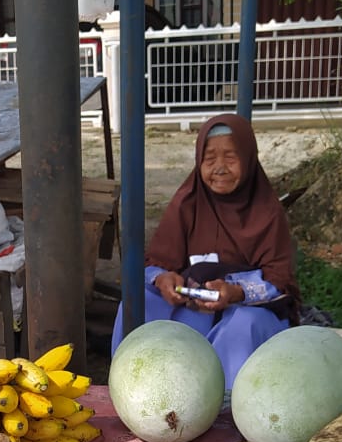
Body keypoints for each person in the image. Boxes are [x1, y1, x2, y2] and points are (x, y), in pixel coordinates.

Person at [111, 112, 301, 391]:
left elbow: (279, 280)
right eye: (210, 159)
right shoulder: (187, 202)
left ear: (248, 159)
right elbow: (156, 262)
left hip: (246, 309)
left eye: (231, 158)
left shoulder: (267, 211)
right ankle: (132, 389)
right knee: (141, 303)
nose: (220, 168)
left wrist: (235, 292)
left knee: (244, 327)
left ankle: (225, 403)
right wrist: (164, 279)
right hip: (194, 303)